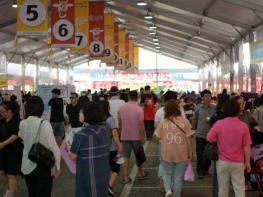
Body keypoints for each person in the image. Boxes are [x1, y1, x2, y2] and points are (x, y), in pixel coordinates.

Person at [207, 99, 252, 197]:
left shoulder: (219, 124)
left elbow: (209, 138)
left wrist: (218, 140)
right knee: (239, 189)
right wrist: (247, 162)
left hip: (222, 162)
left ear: (225, 110)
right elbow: (247, 146)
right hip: (238, 162)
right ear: (238, 110)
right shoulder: (243, 126)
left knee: (222, 189)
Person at [19, 96, 61, 197]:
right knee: (44, 193)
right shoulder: (44, 124)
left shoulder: (22, 123)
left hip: (27, 164)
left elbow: (21, 136)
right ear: (40, 109)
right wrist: (58, 167)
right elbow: (54, 147)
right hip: (43, 164)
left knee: (32, 192)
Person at [69, 102, 111, 197]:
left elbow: (72, 156)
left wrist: (68, 148)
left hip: (87, 175)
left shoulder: (81, 134)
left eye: (81, 112)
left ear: (87, 115)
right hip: (103, 173)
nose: (79, 114)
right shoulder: (105, 129)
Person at [154, 99, 193, 197]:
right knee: (178, 177)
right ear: (178, 109)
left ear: (166, 110)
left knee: (166, 173)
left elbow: (157, 136)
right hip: (181, 152)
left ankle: (168, 191)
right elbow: (189, 138)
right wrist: (190, 152)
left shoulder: (163, 122)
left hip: (167, 152)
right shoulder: (185, 121)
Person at [118, 90, 148, 184]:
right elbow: (141, 124)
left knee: (125, 157)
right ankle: (141, 173)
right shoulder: (139, 109)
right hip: (136, 137)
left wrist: (120, 133)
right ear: (137, 97)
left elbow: (119, 123)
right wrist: (142, 137)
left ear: (128, 97)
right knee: (139, 156)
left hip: (124, 136)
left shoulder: (122, 108)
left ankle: (126, 178)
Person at [100, 100, 123, 196]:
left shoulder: (98, 121)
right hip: (113, 148)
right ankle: (109, 185)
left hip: (102, 149)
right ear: (108, 108)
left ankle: (105, 186)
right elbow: (114, 133)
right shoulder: (110, 119)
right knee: (116, 168)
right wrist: (119, 145)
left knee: (105, 169)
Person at [192, 89, 216, 179]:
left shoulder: (214, 108)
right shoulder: (198, 107)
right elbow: (194, 119)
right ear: (202, 97)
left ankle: (206, 170)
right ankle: (200, 172)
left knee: (209, 154)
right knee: (200, 153)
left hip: (211, 135)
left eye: (209, 96)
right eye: (205, 96)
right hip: (200, 134)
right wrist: (192, 128)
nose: (207, 98)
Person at [0, 101, 22, 197]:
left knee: (11, 174)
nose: (1, 113)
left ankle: (12, 193)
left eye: (2, 111)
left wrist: (3, 144)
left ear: (10, 111)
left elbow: (15, 135)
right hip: (3, 151)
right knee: (1, 173)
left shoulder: (17, 121)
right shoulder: (2, 121)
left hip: (14, 151)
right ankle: (10, 189)